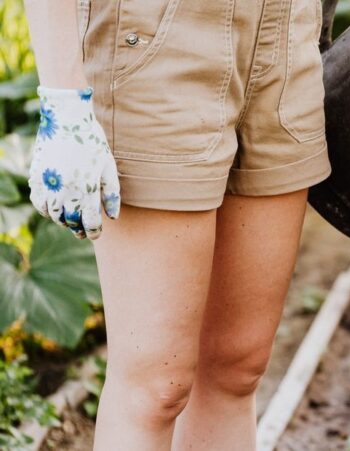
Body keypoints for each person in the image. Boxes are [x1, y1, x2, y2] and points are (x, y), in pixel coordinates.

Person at [23, 0, 330, 448]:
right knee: (155, 389)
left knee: (238, 367)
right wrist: (63, 99)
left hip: (288, 32)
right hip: (159, 38)